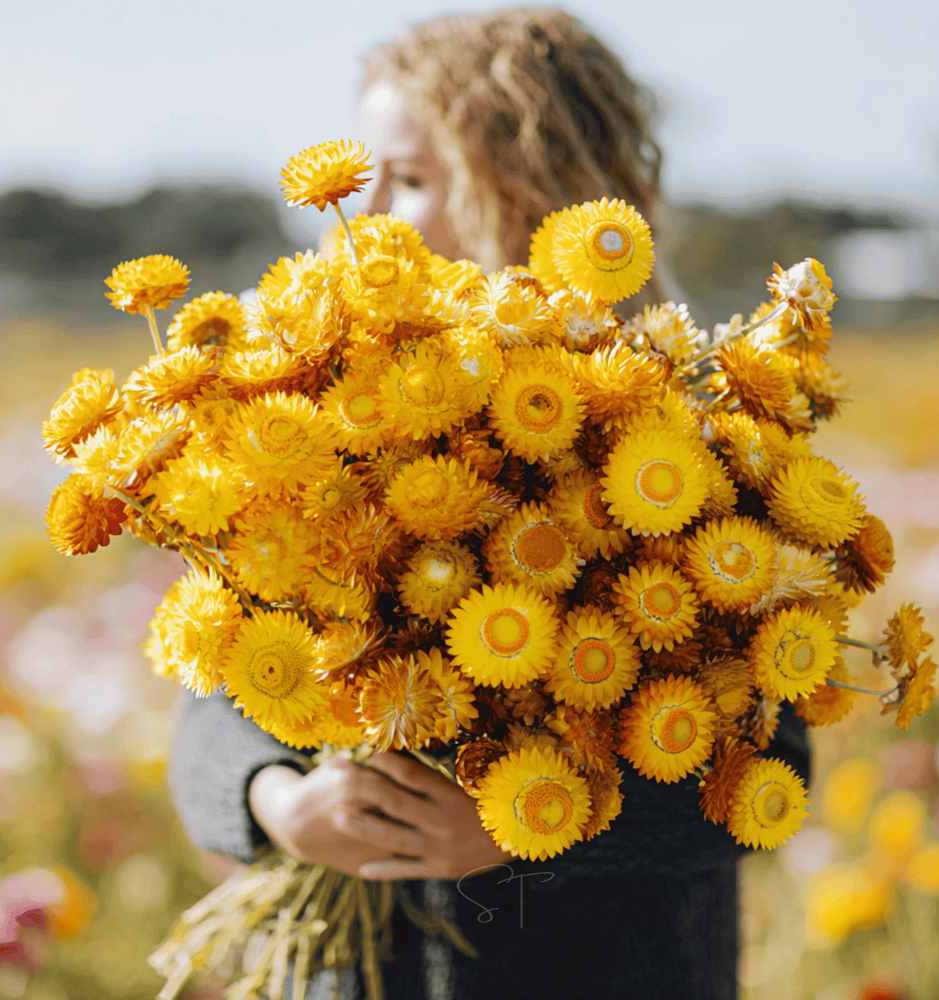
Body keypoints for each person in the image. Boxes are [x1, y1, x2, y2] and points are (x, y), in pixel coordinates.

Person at [167, 9, 811, 999]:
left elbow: (768, 763)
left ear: (535, 197)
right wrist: (275, 798)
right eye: (364, 175)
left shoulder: (681, 443)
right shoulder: (317, 421)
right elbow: (214, 701)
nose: (367, 212)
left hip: (613, 971)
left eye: (412, 180)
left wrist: (542, 813)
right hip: (360, 969)